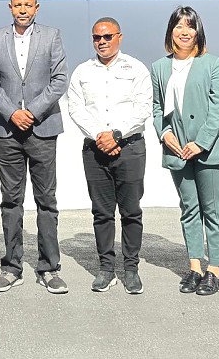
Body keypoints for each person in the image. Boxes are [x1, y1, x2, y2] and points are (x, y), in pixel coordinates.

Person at [0, 0, 69, 294]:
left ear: (36, 7)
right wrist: (12, 113)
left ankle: (49, 268)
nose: (22, 10)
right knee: (11, 200)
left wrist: (31, 111)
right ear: (10, 7)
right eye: (17, 5)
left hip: (42, 128)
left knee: (46, 201)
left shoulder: (52, 36)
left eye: (27, 5)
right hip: (8, 131)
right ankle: (11, 267)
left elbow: (60, 79)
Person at [151, 6, 219, 297]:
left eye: (190, 26)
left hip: (209, 149)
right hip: (177, 149)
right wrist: (164, 134)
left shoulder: (212, 64)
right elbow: (156, 107)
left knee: (213, 210)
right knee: (189, 209)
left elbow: (218, 108)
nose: (184, 32)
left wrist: (200, 142)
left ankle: (214, 270)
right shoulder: (159, 67)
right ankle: (194, 267)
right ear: (171, 32)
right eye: (179, 26)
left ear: (198, 31)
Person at [67, 17, 152, 295]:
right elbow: (76, 108)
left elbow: (143, 107)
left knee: (131, 212)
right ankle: (106, 269)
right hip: (95, 150)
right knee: (102, 213)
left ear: (119, 37)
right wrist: (100, 136)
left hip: (130, 148)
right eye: (96, 37)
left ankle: (131, 269)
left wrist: (116, 135)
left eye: (107, 36)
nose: (101, 42)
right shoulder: (82, 71)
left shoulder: (136, 68)